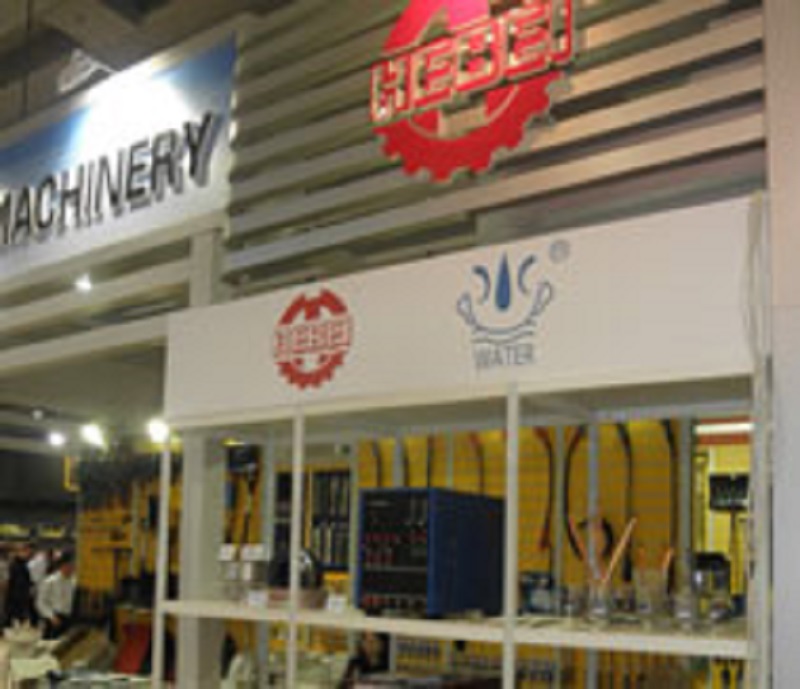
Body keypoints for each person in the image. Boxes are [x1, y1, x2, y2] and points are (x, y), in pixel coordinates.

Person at [36, 552, 76, 640]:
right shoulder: (50, 581)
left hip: (69, 618)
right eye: (68, 565)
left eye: (72, 565)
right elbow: (41, 602)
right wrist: (51, 616)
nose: (70, 568)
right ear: (61, 566)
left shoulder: (74, 581)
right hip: (54, 618)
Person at [3, 542, 34, 627]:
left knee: (19, 621)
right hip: (14, 597)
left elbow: (26, 581)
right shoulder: (13, 564)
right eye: (24, 551)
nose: (27, 553)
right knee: (12, 620)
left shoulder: (24, 564)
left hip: (22, 596)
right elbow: (10, 582)